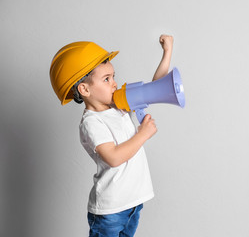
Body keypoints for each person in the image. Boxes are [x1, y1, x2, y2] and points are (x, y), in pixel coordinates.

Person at [49, 35, 174, 237]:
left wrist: (166, 52)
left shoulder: (118, 105)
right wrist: (142, 135)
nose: (114, 83)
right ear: (84, 89)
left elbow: (155, 89)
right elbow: (113, 157)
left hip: (133, 203)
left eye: (113, 76)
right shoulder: (92, 122)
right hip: (111, 210)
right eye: (107, 79)